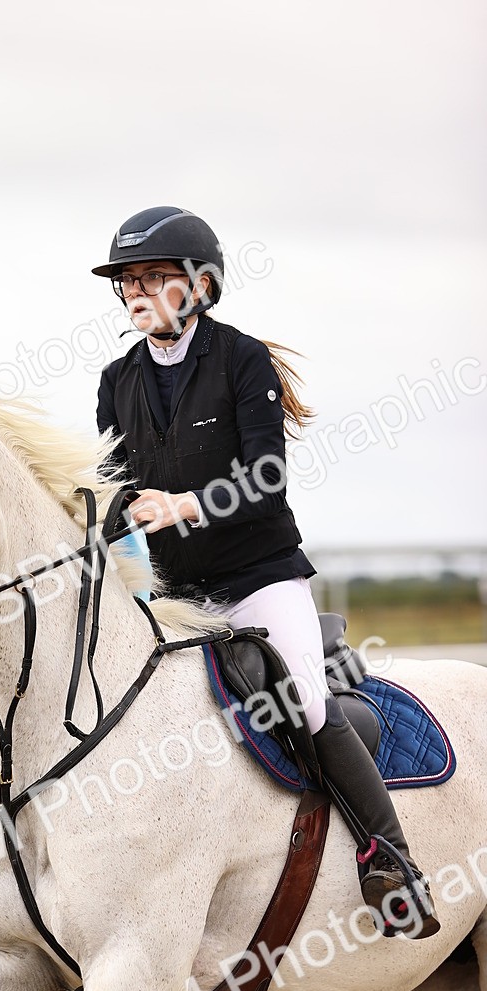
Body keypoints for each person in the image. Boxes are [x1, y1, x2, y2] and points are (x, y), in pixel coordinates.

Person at [92, 205, 439, 939]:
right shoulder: (116, 379)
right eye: (129, 281)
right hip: (179, 594)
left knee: (305, 707)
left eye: (154, 277)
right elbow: (113, 481)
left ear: (201, 285)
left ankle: (391, 861)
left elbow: (266, 480)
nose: (137, 292)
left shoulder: (241, 361)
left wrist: (183, 504)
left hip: (260, 576)